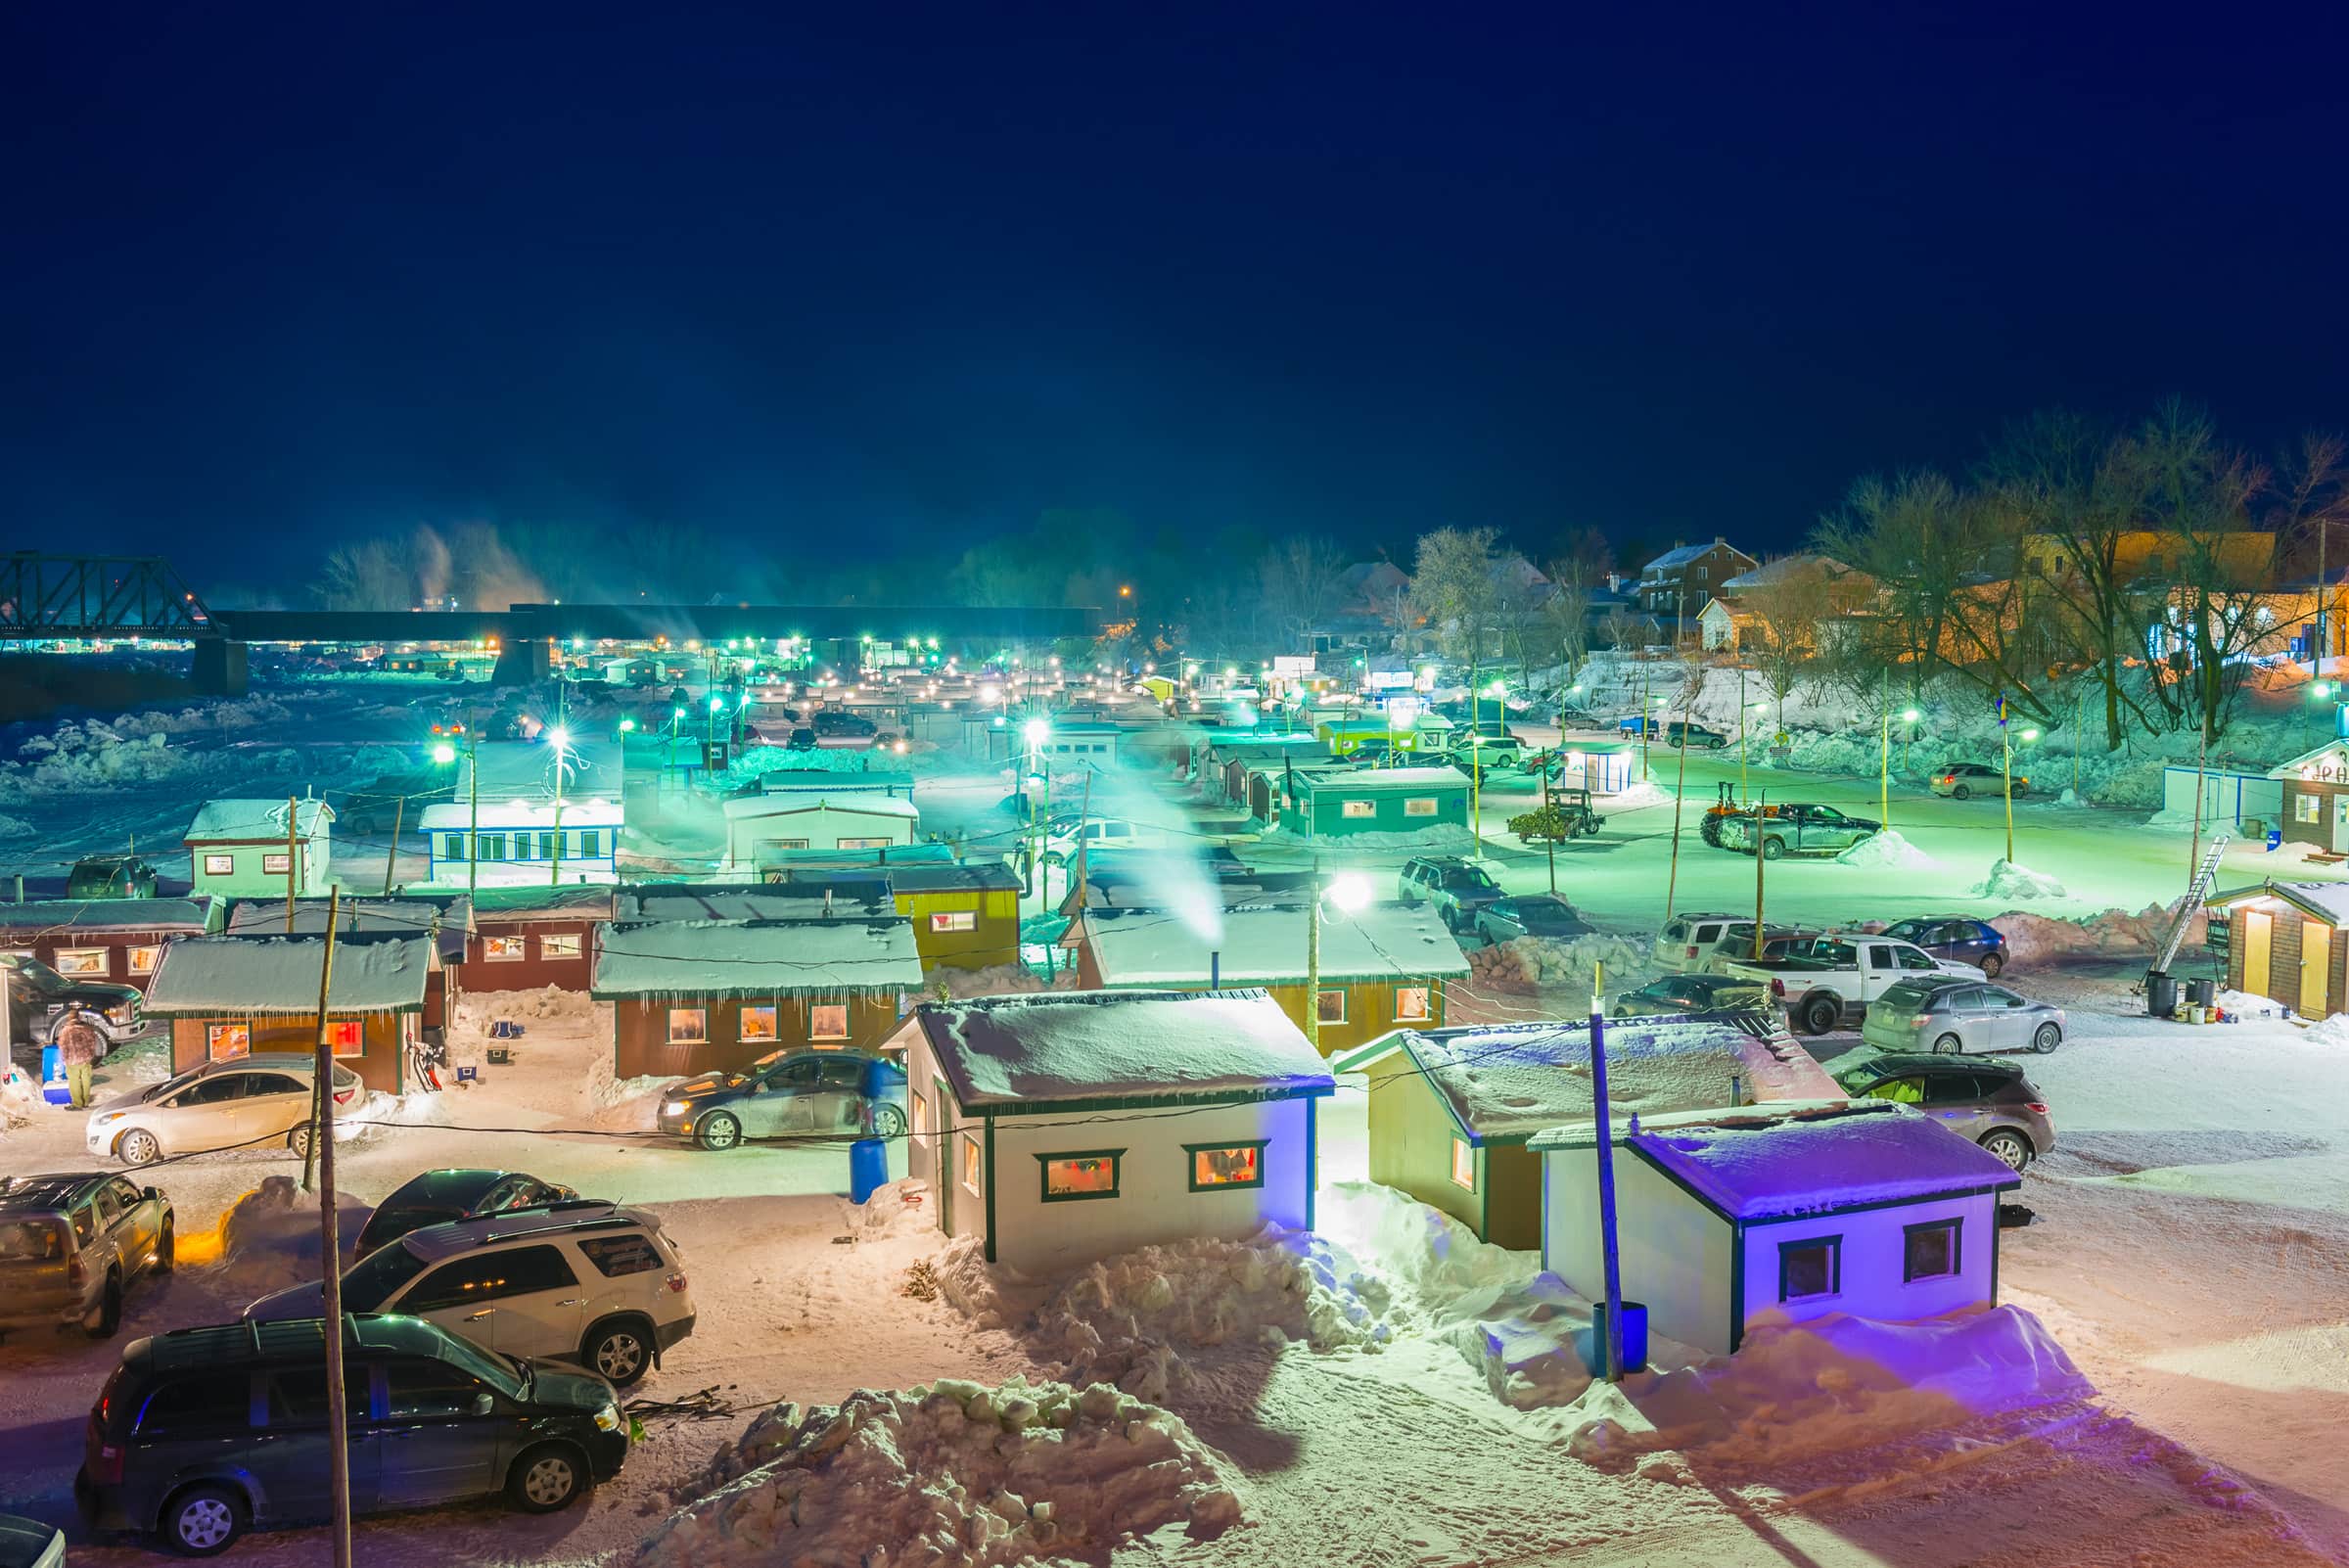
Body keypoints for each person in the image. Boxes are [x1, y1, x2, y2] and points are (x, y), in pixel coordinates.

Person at [52, 1007, 105, 1111]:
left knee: (74, 1080)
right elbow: (93, 1041)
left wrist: (65, 1059)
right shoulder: (86, 1028)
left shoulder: (66, 1030)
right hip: (86, 1058)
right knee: (86, 1079)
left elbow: (62, 1046)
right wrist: (90, 1054)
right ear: (79, 1017)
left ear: (69, 1018)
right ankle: (85, 1102)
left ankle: (77, 1104)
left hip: (73, 1059)